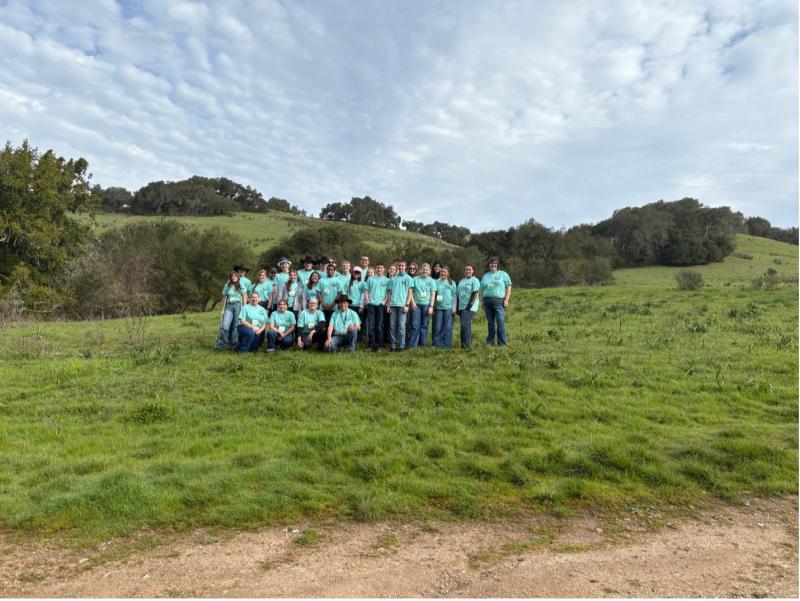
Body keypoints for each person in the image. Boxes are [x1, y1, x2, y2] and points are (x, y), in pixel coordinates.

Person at [480, 256, 512, 347]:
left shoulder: (503, 274)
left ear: (497, 265)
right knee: (490, 323)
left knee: (500, 321)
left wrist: (506, 299)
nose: (493, 265)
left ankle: (502, 343)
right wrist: (482, 301)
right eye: (491, 263)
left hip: (499, 301)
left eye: (495, 263)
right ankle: (490, 342)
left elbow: (509, 286)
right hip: (487, 301)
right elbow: (481, 289)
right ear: (489, 265)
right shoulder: (485, 276)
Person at [386, 259, 414, 351]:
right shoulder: (392, 279)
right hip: (393, 305)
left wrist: (407, 305)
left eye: (403, 265)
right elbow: (389, 293)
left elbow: (410, 293)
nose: (401, 267)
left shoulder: (408, 278)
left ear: (405, 267)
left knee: (401, 327)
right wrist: (388, 305)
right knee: (392, 326)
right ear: (397, 266)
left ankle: (401, 346)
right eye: (399, 265)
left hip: (403, 306)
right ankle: (393, 345)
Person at [408, 262, 436, 348]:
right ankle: (412, 345)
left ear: (429, 271)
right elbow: (410, 292)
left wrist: (431, 306)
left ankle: (422, 345)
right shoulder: (415, 279)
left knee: (424, 326)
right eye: (423, 269)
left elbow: (433, 294)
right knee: (415, 325)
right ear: (420, 270)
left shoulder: (432, 281)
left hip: (426, 305)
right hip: (416, 305)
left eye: (427, 270)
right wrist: (412, 302)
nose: (425, 271)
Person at [215, 271, 246, 349]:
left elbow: (244, 295)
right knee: (225, 325)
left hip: (238, 305)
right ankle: (222, 343)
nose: (233, 277)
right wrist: (223, 309)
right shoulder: (227, 285)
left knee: (236, 325)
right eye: (232, 276)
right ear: (230, 277)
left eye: (235, 276)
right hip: (229, 305)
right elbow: (224, 296)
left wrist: (244, 307)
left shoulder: (240, 284)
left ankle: (234, 343)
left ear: (238, 277)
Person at [365, 263, 389, 351]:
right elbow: (366, 291)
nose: (379, 269)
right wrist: (367, 301)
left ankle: (379, 345)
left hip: (380, 305)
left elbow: (388, 293)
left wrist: (384, 302)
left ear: (384, 270)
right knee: (371, 325)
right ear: (376, 269)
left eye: (381, 268)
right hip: (371, 304)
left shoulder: (387, 280)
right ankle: (371, 345)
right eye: (378, 267)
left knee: (379, 325)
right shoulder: (370, 279)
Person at [457, 264, 480, 349]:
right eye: (466, 269)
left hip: (470, 307)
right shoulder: (461, 281)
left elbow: (475, 294)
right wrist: (457, 308)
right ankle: (464, 345)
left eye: (469, 269)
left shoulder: (475, 280)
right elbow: (458, 295)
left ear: (473, 271)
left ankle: (467, 346)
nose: (468, 271)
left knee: (464, 325)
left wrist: (468, 307)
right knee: (465, 326)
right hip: (461, 307)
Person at [432, 266, 457, 349]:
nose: (443, 273)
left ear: (448, 273)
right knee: (438, 327)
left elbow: (454, 296)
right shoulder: (436, 282)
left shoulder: (452, 283)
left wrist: (454, 308)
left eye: (445, 272)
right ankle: (437, 344)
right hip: (438, 308)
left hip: (448, 308)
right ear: (440, 272)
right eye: (442, 271)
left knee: (448, 327)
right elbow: (433, 294)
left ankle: (447, 345)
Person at [348, 266, 367, 343]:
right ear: (352, 273)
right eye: (355, 272)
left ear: (360, 274)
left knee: (359, 323)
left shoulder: (362, 283)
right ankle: (349, 339)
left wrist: (362, 306)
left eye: (358, 273)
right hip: (350, 306)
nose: (356, 274)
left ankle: (358, 340)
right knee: (349, 323)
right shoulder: (348, 282)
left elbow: (363, 295)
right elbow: (346, 293)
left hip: (358, 306)